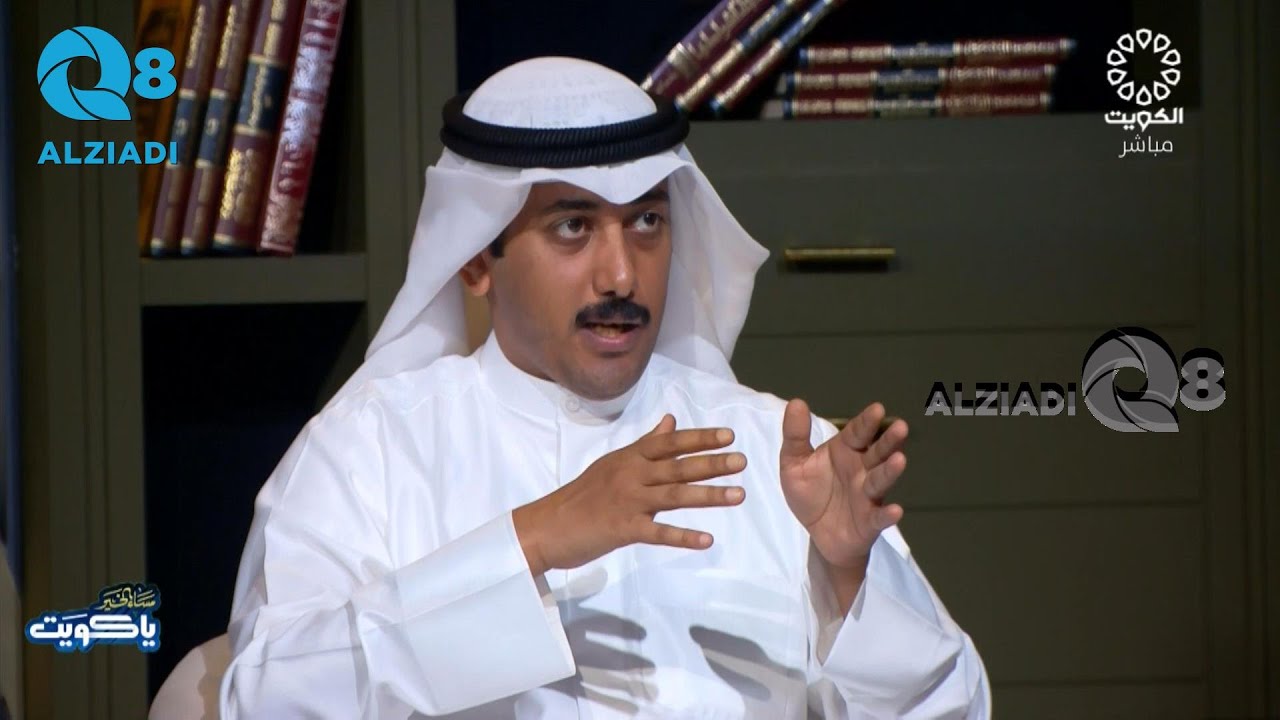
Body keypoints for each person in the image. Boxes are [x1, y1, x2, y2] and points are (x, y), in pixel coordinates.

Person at [218, 56, 990, 719]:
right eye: (573, 227)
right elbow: (263, 699)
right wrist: (531, 541)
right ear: (476, 260)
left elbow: (957, 708)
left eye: (647, 222)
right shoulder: (369, 451)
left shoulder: (780, 455)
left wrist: (849, 582)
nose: (620, 274)